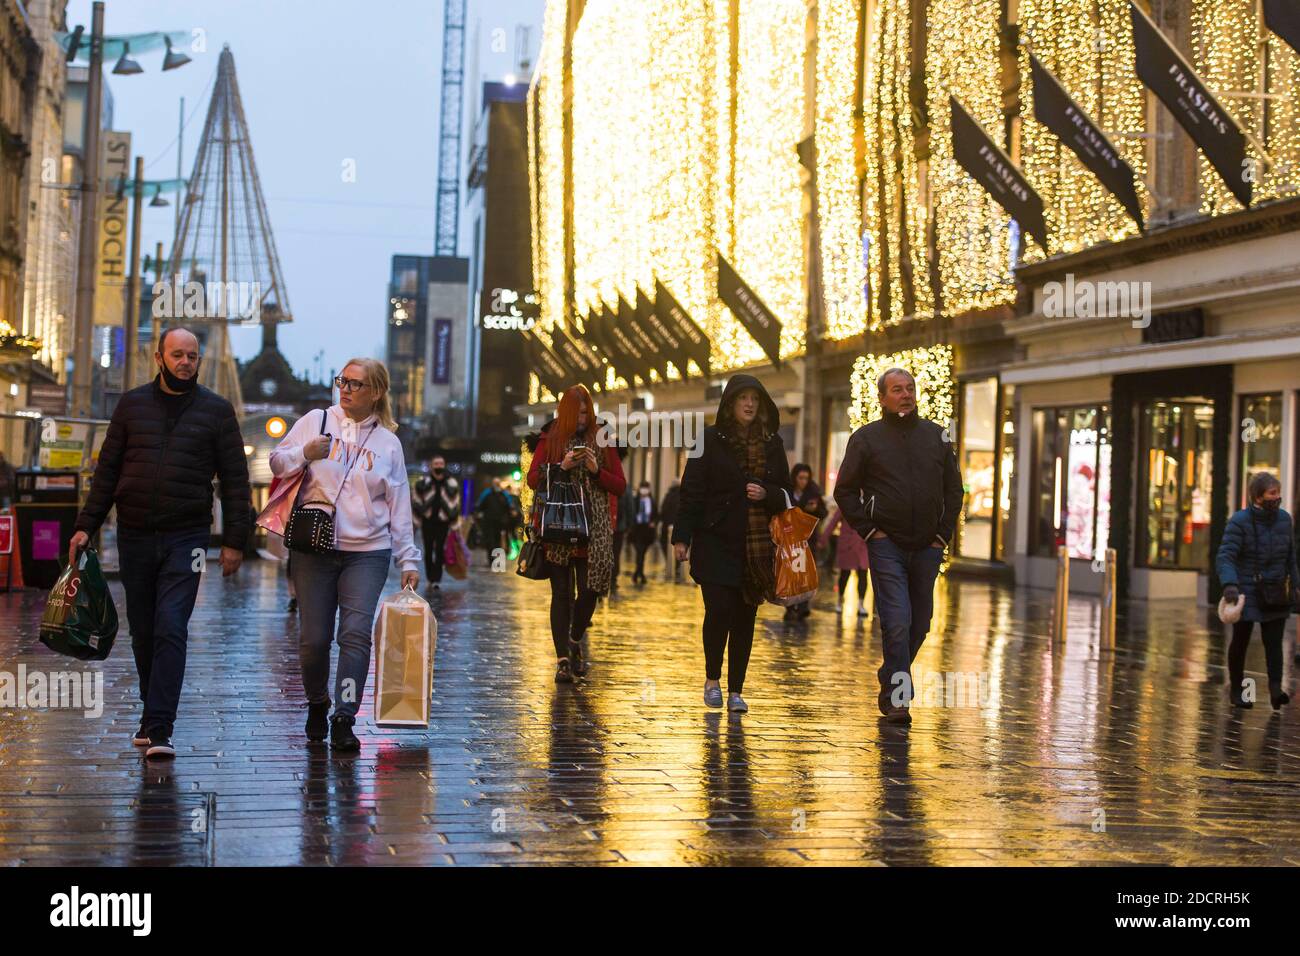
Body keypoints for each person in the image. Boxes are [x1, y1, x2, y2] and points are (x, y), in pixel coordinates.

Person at [67, 326, 251, 759]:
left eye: (192, 355)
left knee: (172, 625)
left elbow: (236, 482)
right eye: (178, 355)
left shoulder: (217, 411)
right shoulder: (131, 406)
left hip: (186, 535)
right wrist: (85, 525)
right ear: (159, 358)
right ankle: (153, 714)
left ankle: (160, 726)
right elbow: (107, 472)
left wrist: (235, 541)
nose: (186, 362)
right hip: (134, 532)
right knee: (145, 631)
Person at [270, 357, 420, 752]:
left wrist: (409, 559)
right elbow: (277, 462)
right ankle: (318, 702)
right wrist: (305, 451)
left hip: (368, 553)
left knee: (354, 636)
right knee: (313, 640)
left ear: (376, 392)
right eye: (343, 381)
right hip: (314, 550)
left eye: (356, 384)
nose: (346, 389)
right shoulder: (316, 421)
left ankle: (344, 715)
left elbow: (399, 502)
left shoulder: (389, 443)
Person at [833, 367, 962, 725]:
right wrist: (870, 530)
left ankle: (891, 672)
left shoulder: (937, 436)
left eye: (909, 388)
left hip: (928, 545)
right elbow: (844, 490)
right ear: (882, 398)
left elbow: (954, 489)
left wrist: (943, 534)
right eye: (897, 389)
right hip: (886, 542)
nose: (905, 394)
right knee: (897, 620)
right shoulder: (866, 439)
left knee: (921, 622)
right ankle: (898, 698)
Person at [672, 375, 791, 714]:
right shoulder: (706, 439)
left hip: (756, 548)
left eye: (755, 398)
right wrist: (682, 536)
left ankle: (737, 689)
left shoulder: (773, 443)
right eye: (743, 399)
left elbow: (785, 492)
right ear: (730, 404)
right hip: (715, 540)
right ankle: (712, 679)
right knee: (719, 610)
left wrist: (766, 494)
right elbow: (691, 490)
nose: (750, 404)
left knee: (745, 616)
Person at [527, 384, 625, 682]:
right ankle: (563, 660)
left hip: (594, 529)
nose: (584, 417)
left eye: (588, 412)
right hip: (559, 524)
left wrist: (597, 470)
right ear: (567, 412)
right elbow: (533, 478)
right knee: (561, 594)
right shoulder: (551, 437)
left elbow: (620, 485)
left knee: (591, 588)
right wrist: (561, 466)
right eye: (579, 412)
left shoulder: (602, 437)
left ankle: (574, 636)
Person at [1215, 472, 1297, 710]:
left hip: (1276, 590)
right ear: (1258, 496)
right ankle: (1237, 689)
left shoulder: (1284, 520)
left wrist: (1296, 586)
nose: (1277, 497)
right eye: (1272, 493)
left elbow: (1291, 557)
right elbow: (1226, 555)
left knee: (1274, 642)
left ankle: (1274, 690)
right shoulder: (1240, 521)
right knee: (1240, 640)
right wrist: (1230, 584)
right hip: (1246, 590)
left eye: (1278, 492)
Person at [784, 463, 827, 621]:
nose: (803, 481)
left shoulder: (813, 492)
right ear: (795, 477)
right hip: (790, 539)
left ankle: (803, 606)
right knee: (790, 573)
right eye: (800, 477)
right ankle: (790, 607)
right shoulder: (787, 492)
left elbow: (823, 512)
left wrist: (815, 510)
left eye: (806, 478)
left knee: (804, 574)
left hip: (807, 541)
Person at [412, 454, 460, 588]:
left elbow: (456, 502)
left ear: (444, 465)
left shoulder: (451, 483)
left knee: (440, 550)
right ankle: (429, 578)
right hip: (428, 521)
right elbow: (416, 499)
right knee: (427, 550)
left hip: (443, 521)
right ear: (431, 465)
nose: (439, 466)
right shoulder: (423, 482)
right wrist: (419, 516)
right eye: (436, 463)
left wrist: (454, 521)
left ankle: (436, 579)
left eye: (441, 463)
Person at [818, 504, 871, 616]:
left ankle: (861, 604)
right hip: (848, 545)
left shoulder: (868, 502)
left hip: (862, 545)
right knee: (844, 575)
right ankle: (840, 601)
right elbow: (833, 523)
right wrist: (823, 540)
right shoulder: (845, 503)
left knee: (863, 575)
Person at [475, 477, 513, 566]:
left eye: (498, 483)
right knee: (489, 540)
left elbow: (509, 506)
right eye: (495, 483)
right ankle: (490, 559)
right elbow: (480, 505)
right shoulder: (487, 493)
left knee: (497, 541)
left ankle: (495, 559)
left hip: (500, 522)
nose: (496, 484)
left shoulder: (504, 494)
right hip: (488, 521)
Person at [629, 480, 658, 585]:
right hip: (636, 531)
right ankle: (640, 575)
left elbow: (656, 515)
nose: (644, 490)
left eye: (646, 488)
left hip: (647, 532)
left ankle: (638, 574)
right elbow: (631, 513)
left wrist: (653, 522)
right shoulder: (635, 500)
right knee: (639, 553)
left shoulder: (652, 501)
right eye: (643, 487)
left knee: (642, 554)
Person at [659, 479, 682, 581]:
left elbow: (663, 510)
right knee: (678, 546)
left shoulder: (668, 496)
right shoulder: (683, 496)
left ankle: (670, 564)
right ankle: (677, 566)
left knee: (665, 544)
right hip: (678, 526)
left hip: (667, 525)